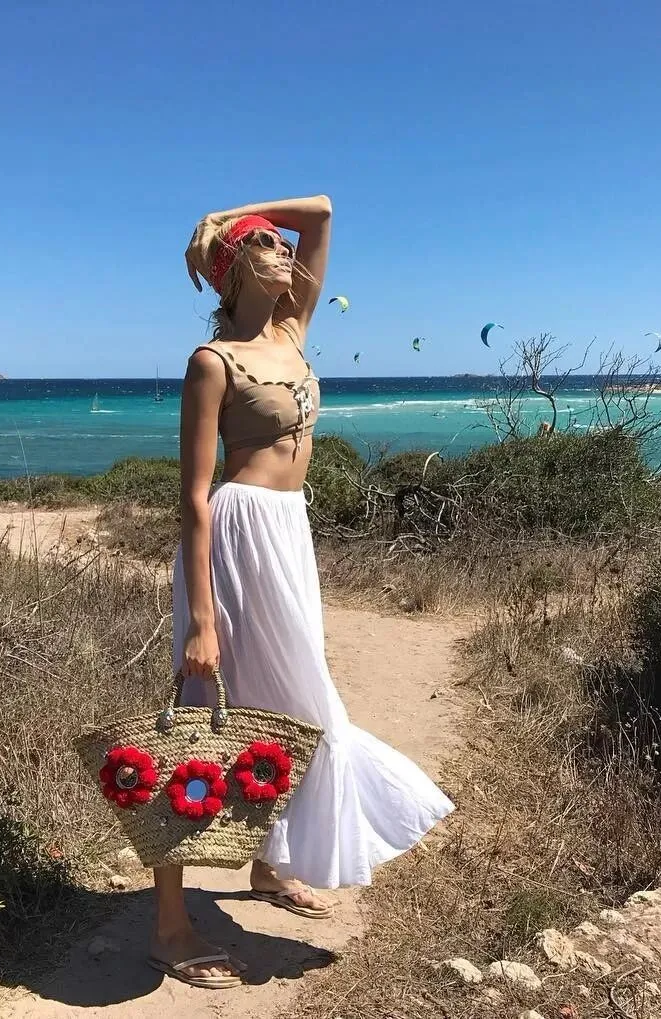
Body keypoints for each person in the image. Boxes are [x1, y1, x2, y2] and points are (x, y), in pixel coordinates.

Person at [152, 196, 453, 989]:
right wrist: (202, 618)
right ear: (233, 268)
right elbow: (193, 497)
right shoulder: (211, 362)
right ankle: (171, 924)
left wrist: (228, 213)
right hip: (235, 537)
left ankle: (265, 862)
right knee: (203, 719)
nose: (285, 250)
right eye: (264, 245)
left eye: (283, 246)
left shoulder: (293, 330)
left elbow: (319, 211)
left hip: (288, 533)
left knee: (292, 710)